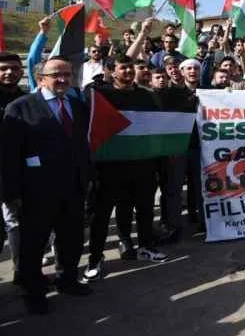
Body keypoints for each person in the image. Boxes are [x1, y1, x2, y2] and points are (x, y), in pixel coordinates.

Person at [2, 57, 93, 314]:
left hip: (72, 188)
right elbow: (9, 155)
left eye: (67, 74)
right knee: (33, 244)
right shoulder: (20, 108)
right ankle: (33, 291)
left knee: (71, 239)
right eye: (56, 74)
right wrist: (11, 193)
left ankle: (67, 279)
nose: (63, 79)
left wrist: (87, 179)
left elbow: (82, 146)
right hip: (35, 193)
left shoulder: (78, 105)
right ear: (40, 78)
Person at [83, 55, 167, 283]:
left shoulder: (145, 96)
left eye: (131, 68)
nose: (129, 72)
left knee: (145, 209)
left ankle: (145, 247)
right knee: (101, 215)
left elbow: (155, 124)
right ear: (111, 71)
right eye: (123, 68)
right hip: (109, 167)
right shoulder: (99, 95)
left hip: (142, 164)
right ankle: (95, 259)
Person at [0, 52, 29, 284]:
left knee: (16, 223)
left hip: (17, 174)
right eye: (3, 68)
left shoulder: (27, 101)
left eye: (14, 68)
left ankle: (22, 270)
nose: (9, 72)